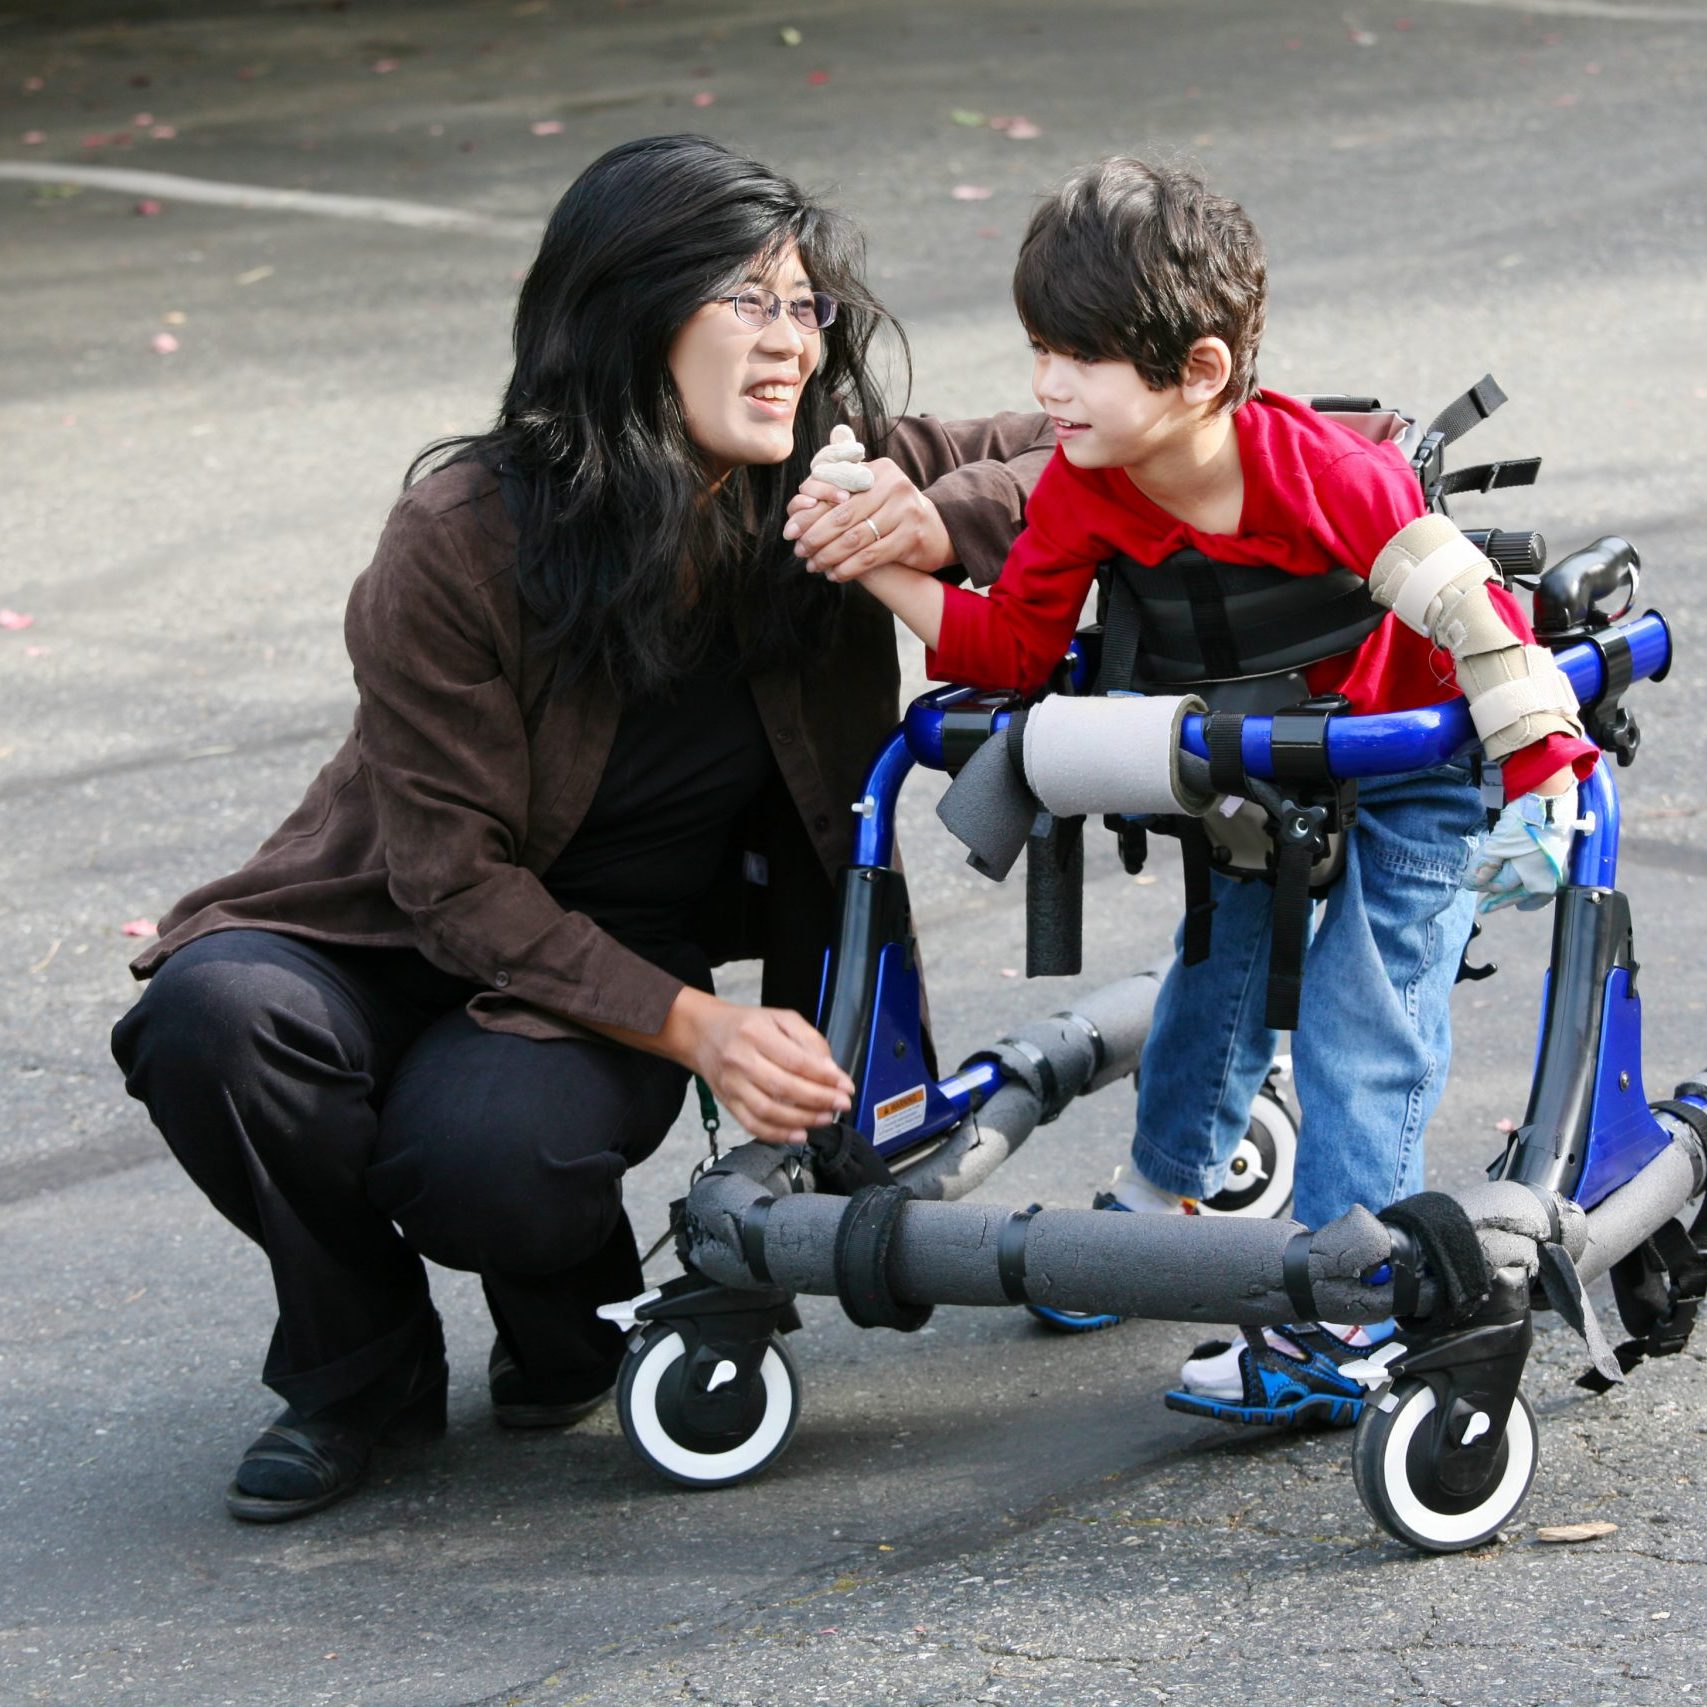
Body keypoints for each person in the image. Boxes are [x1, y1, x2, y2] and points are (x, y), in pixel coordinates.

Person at [111, 133, 1052, 1522]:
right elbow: (446, 880)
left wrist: (935, 510)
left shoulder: (822, 483)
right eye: (747, 300)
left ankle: (562, 1319)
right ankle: (354, 1367)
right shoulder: (460, 534)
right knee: (211, 1019)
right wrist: (702, 1031)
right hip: (387, 923)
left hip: (606, 950)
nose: (789, 340)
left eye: (803, 303)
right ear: (626, 314)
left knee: (483, 1161)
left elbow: (1102, 442)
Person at [792, 156, 1598, 1426]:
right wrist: (876, 567)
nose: (1048, 385)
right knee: (1213, 964)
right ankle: (1158, 1210)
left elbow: (1474, 614)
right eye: (1039, 350)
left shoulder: (1323, 474)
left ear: (1202, 372)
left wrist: (1545, 776)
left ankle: (1351, 1309)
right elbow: (1009, 648)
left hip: (1412, 761)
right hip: (1251, 755)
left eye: (1081, 357)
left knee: (1357, 1005)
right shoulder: (1087, 485)